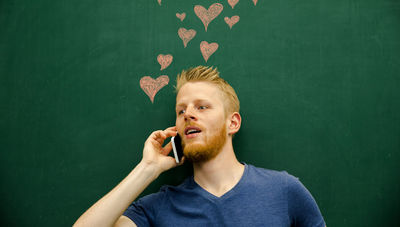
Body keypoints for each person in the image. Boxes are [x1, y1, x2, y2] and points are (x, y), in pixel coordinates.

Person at [74, 66, 326, 227]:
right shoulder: (159, 207)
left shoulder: (283, 191)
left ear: (233, 122)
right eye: (181, 110)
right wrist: (148, 168)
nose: (188, 114)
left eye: (202, 107)